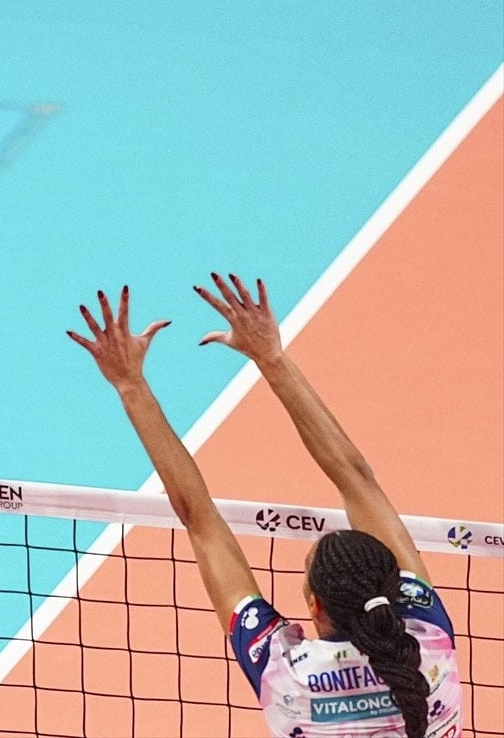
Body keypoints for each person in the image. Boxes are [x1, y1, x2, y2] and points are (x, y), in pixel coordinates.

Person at [67, 274, 461, 738]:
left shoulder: (288, 675)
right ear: (394, 587)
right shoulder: (427, 642)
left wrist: (129, 384)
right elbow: (357, 479)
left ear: (314, 605)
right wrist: (271, 357)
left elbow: (199, 517)